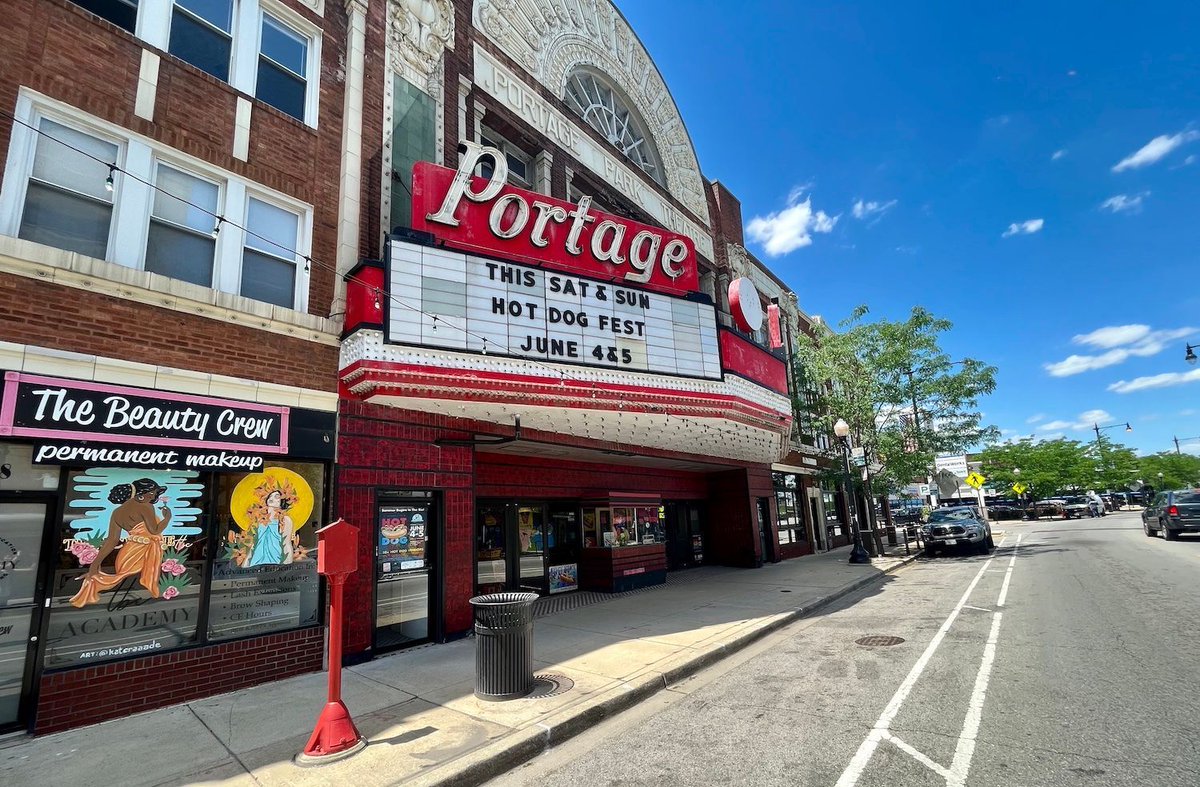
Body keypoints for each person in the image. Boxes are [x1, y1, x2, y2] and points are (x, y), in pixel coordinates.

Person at [71, 478, 171, 607]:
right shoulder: (145, 506)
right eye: (151, 493)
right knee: (132, 580)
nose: (154, 497)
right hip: (142, 552)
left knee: (122, 577)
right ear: (140, 494)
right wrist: (167, 518)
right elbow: (154, 530)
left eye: (155, 493)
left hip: (127, 554)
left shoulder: (116, 513)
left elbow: (111, 541)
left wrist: (94, 565)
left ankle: (96, 584)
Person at [245, 480, 297, 566]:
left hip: (276, 562)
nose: (272, 499)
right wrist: (246, 564)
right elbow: (254, 544)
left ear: (282, 501)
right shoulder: (260, 520)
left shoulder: (285, 520)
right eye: (270, 496)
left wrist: (287, 566)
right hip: (256, 563)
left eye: (276, 496)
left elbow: (287, 544)